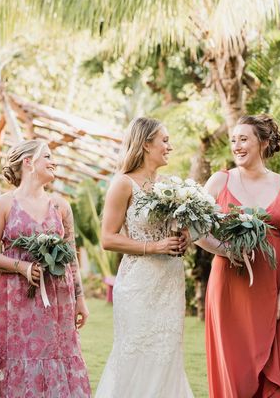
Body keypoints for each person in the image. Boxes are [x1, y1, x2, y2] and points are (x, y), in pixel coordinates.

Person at [0, 139, 91, 397]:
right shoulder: (3, 205)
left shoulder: (61, 207)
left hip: (57, 300)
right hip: (15, 298)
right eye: (47, 156)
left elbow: (70, 256)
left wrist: (80, 299)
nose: (54, 162)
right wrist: (21, 267)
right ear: (28, 162)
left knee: (56, 356)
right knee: (19, 356)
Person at [203, 114, 280, 397]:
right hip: (230, 290)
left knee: (279, 366)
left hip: (273, 288)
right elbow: (196, 230)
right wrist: (225, 250)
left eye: (243, 139)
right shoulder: (218, 181)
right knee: (235, 367)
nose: (236, 145)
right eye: (233, 140)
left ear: (262, 142)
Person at [95, 117, 193, 397]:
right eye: (165, 140)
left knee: (167, 353)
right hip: (139, 284)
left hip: (171, 283)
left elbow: (177, 228)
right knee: (138, 352)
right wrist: (155, 247)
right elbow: (108, 238)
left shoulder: (172, 186)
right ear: (146, 144)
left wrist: (184, 236)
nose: (170, 146)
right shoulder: (123, 184)